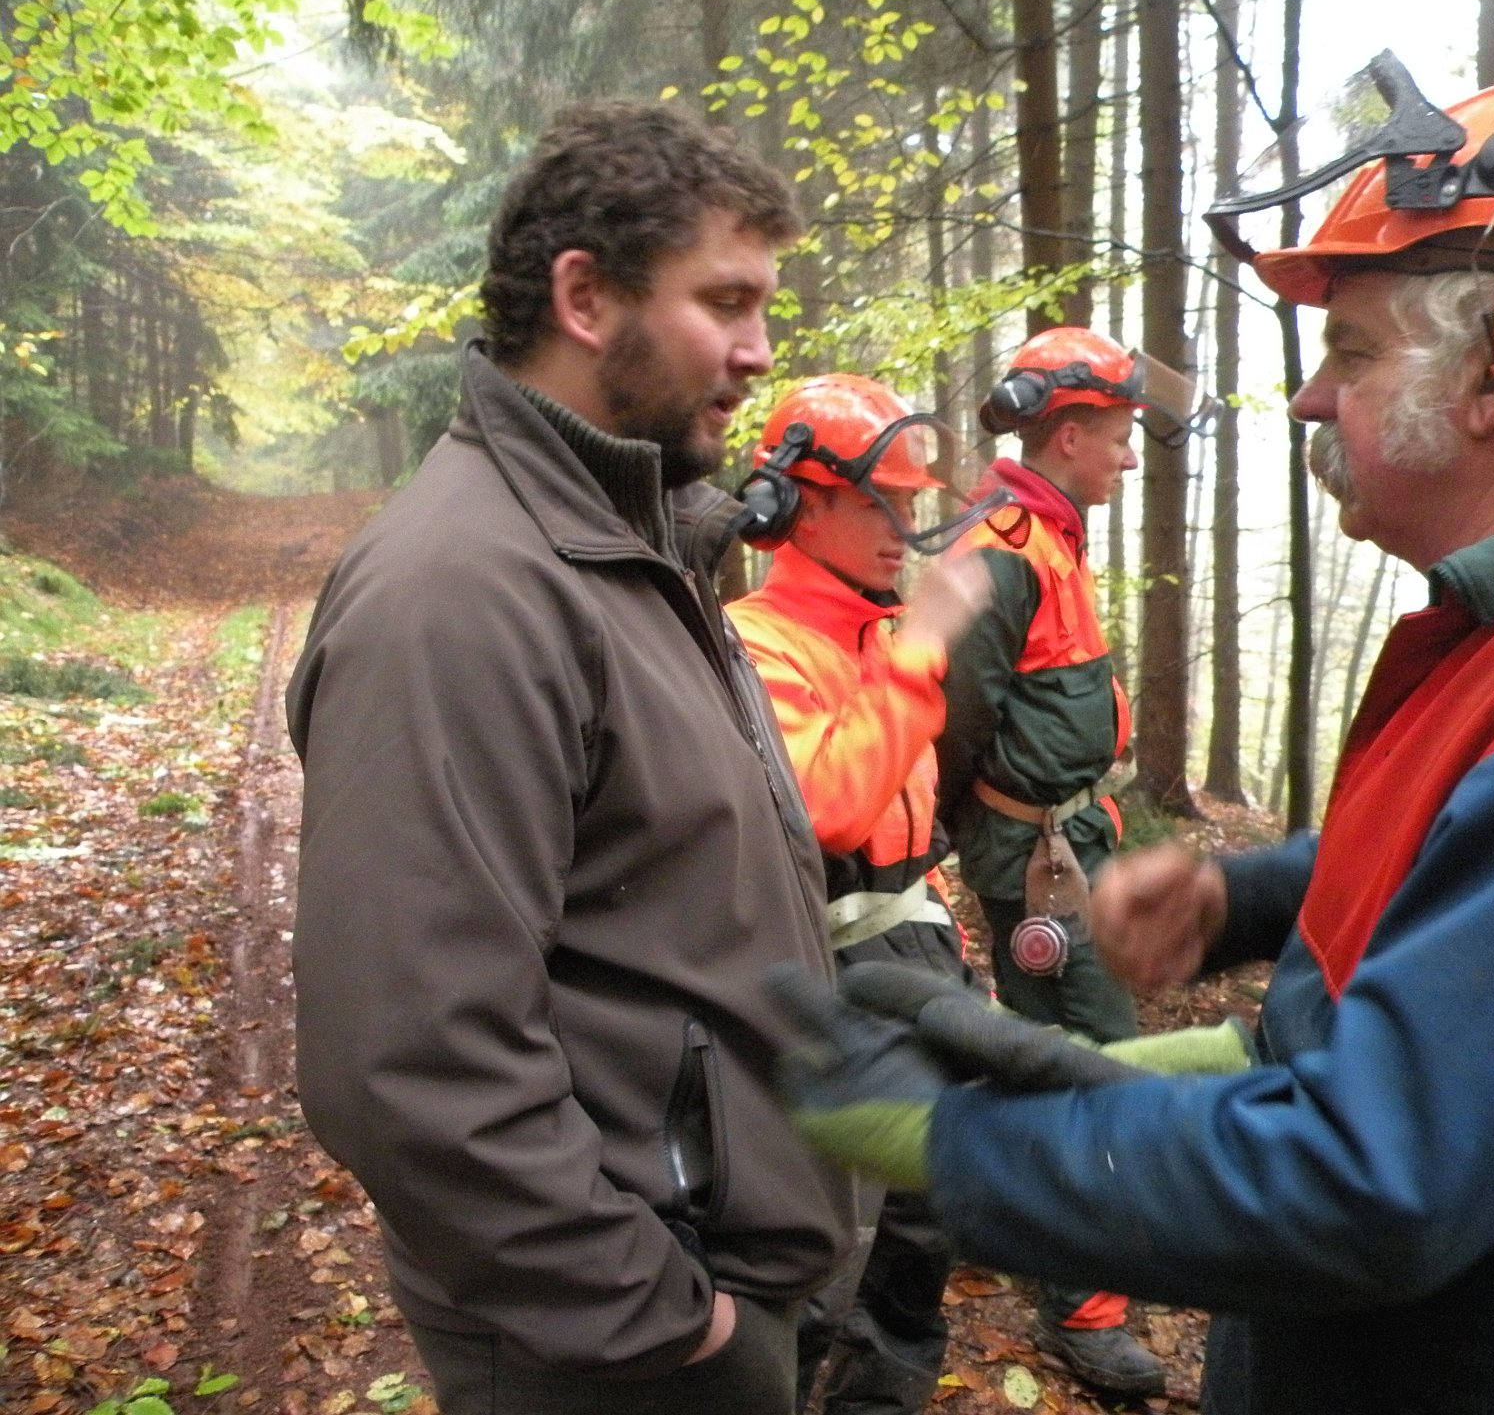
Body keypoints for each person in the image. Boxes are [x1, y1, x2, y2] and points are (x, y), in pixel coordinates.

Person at [771, 58, 1494, 1414]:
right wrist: (1244, 901)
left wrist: (954, 1139)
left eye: (1352, 351)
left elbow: (1369, 1179)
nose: (1308, 397)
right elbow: (1467, 873)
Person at [285, 100, 856, 1415]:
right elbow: (406, 1061)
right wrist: (663, 1320)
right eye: (725, 302)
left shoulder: (631, 541)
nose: (760, 351)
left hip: (694, 1274)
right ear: (585, 299)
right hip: (610, 1339)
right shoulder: (461, 593)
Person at [931, 326, 1204, 1399]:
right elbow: (948, 716)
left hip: (1069, 834)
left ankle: (1006, 1214)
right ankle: (1082, 1308)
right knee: (1087, 1059)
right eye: (1121, 436)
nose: (1132, 457)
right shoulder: (998, 550)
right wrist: (965, 835)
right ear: (1069, 433)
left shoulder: (1048, 533)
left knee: (1050, 1045)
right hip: (1031, 847)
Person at [725, 374, 991, 1414]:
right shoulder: (757, 641)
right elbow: (828, 809)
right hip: (825, 969)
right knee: (832, 1234)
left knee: (925, 1224)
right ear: (800, 505)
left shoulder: (879, 636)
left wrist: (950, 956)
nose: (902, 529)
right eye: (881, 503)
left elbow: (907, 830)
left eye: (911, 504)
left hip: (909, 950)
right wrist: (920, 649)